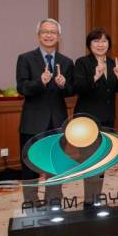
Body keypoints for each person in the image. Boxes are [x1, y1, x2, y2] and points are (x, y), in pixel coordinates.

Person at [16, 18, 74, 204]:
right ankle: (31, 201)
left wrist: (64, 85)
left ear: (58, 36)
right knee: (29, 165)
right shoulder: (25, 58)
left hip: (58, 121)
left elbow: (72, 90)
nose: (49, 35)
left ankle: (54, 200)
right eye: (45, 32)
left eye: (53, 32)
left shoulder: (66, 62)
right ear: (38, 35)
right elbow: (22, 88)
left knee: (55, 163)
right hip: (32, 121)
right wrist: (40, 82)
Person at [73, 28, 118, 206]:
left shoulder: (113, 63)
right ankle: (90, 200)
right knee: (89, 159)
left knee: (103, 159)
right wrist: (95, 77)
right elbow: (78, 87)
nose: (100, 44)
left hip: (107, 118)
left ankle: (97, 198)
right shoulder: (82, 63)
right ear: (89, 44)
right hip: (87, 120)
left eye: (104, 41)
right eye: (96, 41)